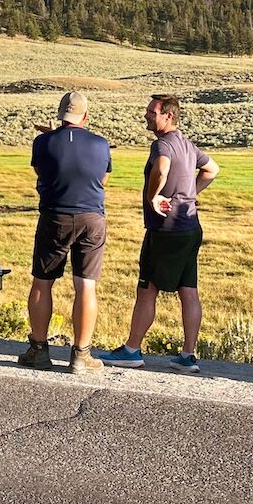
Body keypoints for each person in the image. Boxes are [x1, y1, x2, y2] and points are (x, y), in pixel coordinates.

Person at [102, 94, 220, 373]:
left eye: (151, 113)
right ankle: (188, 355)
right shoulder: (187, 144)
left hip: (165, 230)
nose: (146, 116)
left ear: (168, 116)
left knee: (147, 289)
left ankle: (131, 350)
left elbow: (162, 168)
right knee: (188, 290)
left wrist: (153, 196)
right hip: (190, 227)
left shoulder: (162, 145)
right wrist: (189, 195)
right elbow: (212, 169)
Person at [20, 91, 110, 374]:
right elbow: (102, 179)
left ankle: (38, 349)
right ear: (85, 116)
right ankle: (81, 354)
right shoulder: (100, 144)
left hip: (54, 216)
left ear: (60, 116)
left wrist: (51, 138)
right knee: (85, 285)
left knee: (42, 282)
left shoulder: (42, 142)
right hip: (91, 217)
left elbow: (41, 172)